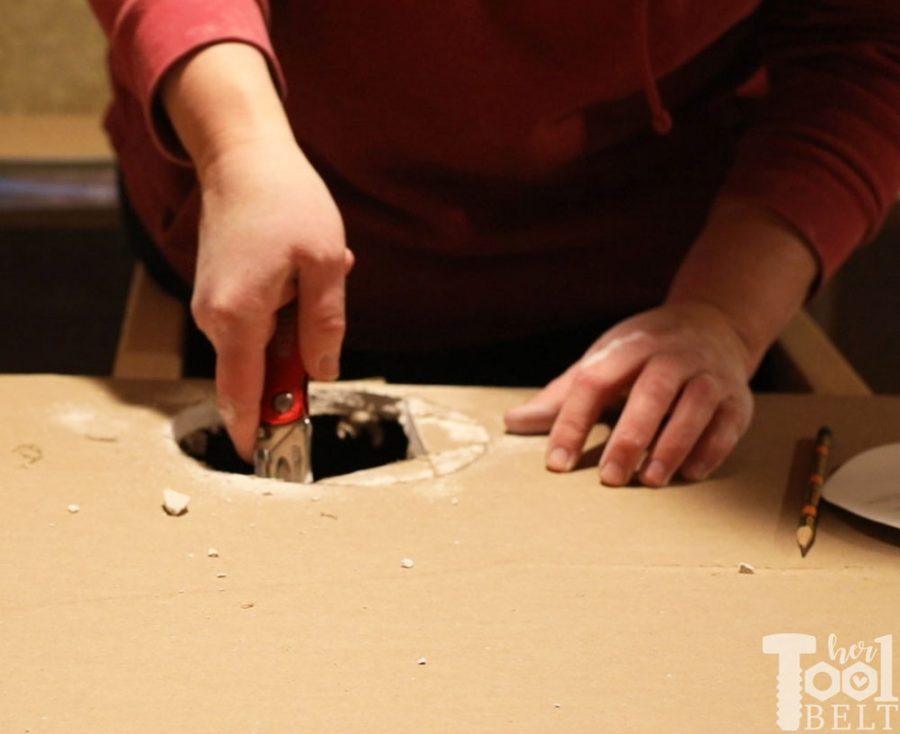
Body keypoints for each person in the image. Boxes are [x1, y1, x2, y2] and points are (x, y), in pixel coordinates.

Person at [88, 1, 900, 486]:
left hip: (646, 294)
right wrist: (237, 146)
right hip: (259, 226)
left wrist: (724, 312)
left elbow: (864, 51)